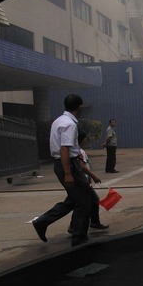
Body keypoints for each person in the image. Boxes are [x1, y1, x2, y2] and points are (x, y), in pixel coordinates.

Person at [32, 94, 93, 247]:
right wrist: (68, 173)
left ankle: (42, 222)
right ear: (80, 107)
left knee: (74, 199)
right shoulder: (69, 124)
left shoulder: (58, 121)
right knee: (85, 199)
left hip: (62, 164)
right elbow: (64, 148)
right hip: (68, 164)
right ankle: (78, 237)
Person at [67, 131, 109, 234]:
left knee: (86, 201)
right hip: (82, 181)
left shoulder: (76, 151)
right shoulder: (80, 152)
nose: (87, 140)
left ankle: (89, 223)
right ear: (82, 140)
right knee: (86, 202)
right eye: (85, 138)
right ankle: (78, 225)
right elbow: (82, 166)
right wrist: (93, 177)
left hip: (83, 180)